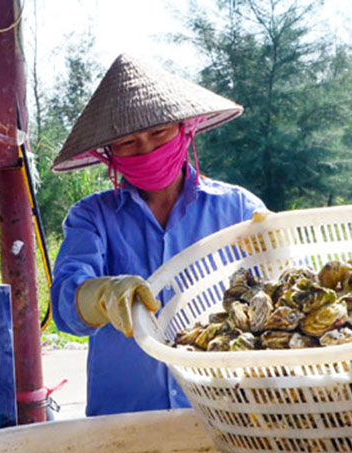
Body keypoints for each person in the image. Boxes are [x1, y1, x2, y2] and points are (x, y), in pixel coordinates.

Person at [50, 54, 268, 417]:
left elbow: (283, 291)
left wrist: (277, 246)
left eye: (158, 132)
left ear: (186, 128)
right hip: (123, 419)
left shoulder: (239, 209)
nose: (147, 149)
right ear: (109, 155)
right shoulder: (92, 216)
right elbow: (66, 307)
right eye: (128, 142)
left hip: (227, 414)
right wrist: (102, 295)